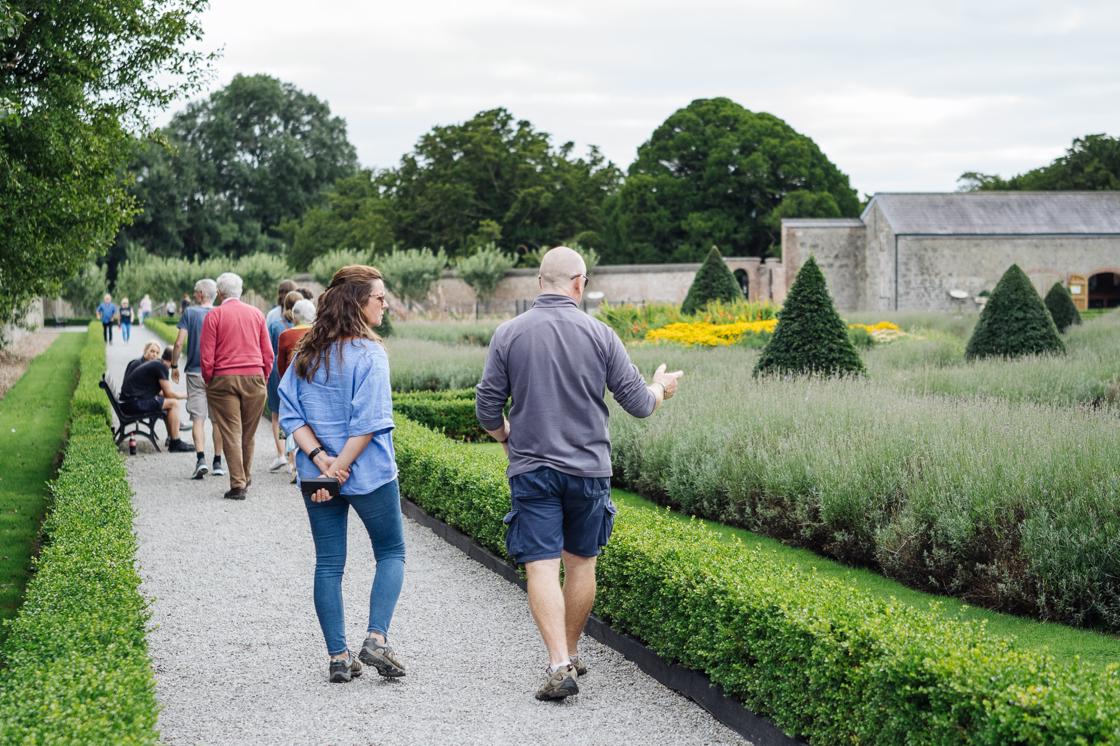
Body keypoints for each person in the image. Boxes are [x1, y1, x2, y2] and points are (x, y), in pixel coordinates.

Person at [475, 246, 683, 702]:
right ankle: (570, 652)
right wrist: (661, 387)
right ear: (578, 283)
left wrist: (506, 438)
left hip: (533, 469)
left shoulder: (508, 333)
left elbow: (486, 408)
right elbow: (640, 404)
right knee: (581, 562)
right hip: (589, 470)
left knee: (542, 565)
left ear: (539, 282)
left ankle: (557, 664)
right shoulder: (601, 334)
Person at [278, 265, 406, 684]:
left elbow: (291, 414)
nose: (385, 304)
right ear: (357, 303)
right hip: (368, 474)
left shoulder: (306, 352)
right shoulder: (370, 354)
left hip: (318, 478)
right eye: (379, 298)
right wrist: (340, 467)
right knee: (391, 552)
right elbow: (368, 423)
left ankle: (338, 657)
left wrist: (322, 463)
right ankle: (376, 638)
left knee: (329, 564)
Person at [200, 272, 273, 500]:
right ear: (240, 292)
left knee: (231, 432)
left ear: (219, 293)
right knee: (248, 433)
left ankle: (238, 484)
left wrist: (209, 379)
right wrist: (263, 377)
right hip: (254, 376)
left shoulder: (214, 315)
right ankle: (245, 477)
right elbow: (268, 353)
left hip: (224, 379)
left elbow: (207, 356)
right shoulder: (257, 314)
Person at [172, 278, 225, 480]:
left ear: (201, 294)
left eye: (196, 292)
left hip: (195, 372)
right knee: (217, 420)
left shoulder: (190, 313)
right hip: (217, 373)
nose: (194, 295)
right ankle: (218, 462)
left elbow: (178, 344)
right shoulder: (220, 313)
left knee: (198, 419)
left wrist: (174, 366)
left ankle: (201, 459)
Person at [119, 346, 194, 453]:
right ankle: (176, 442)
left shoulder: (158, 364)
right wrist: (187, 395)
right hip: (133, 404)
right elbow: (168, 393)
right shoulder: (161, 367)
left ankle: (172, 439)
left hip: (129, 402)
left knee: (170, 403)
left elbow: (162, 392)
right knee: (174, 404)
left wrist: (181, 395)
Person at [278, 298, 316, 481]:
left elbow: (280, 366)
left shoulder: (286, 335)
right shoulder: (318, 333)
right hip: (312, 386)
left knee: (293, 424)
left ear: (294, 316)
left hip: (292, 387)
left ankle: (293, 465)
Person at [265, 280, 298, 474]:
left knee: (276, 414)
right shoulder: (302, 322)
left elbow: (268, 348)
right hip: (295, 369)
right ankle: (294, 457)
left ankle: (281, 454)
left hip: (277, 369)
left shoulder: (273, 318)